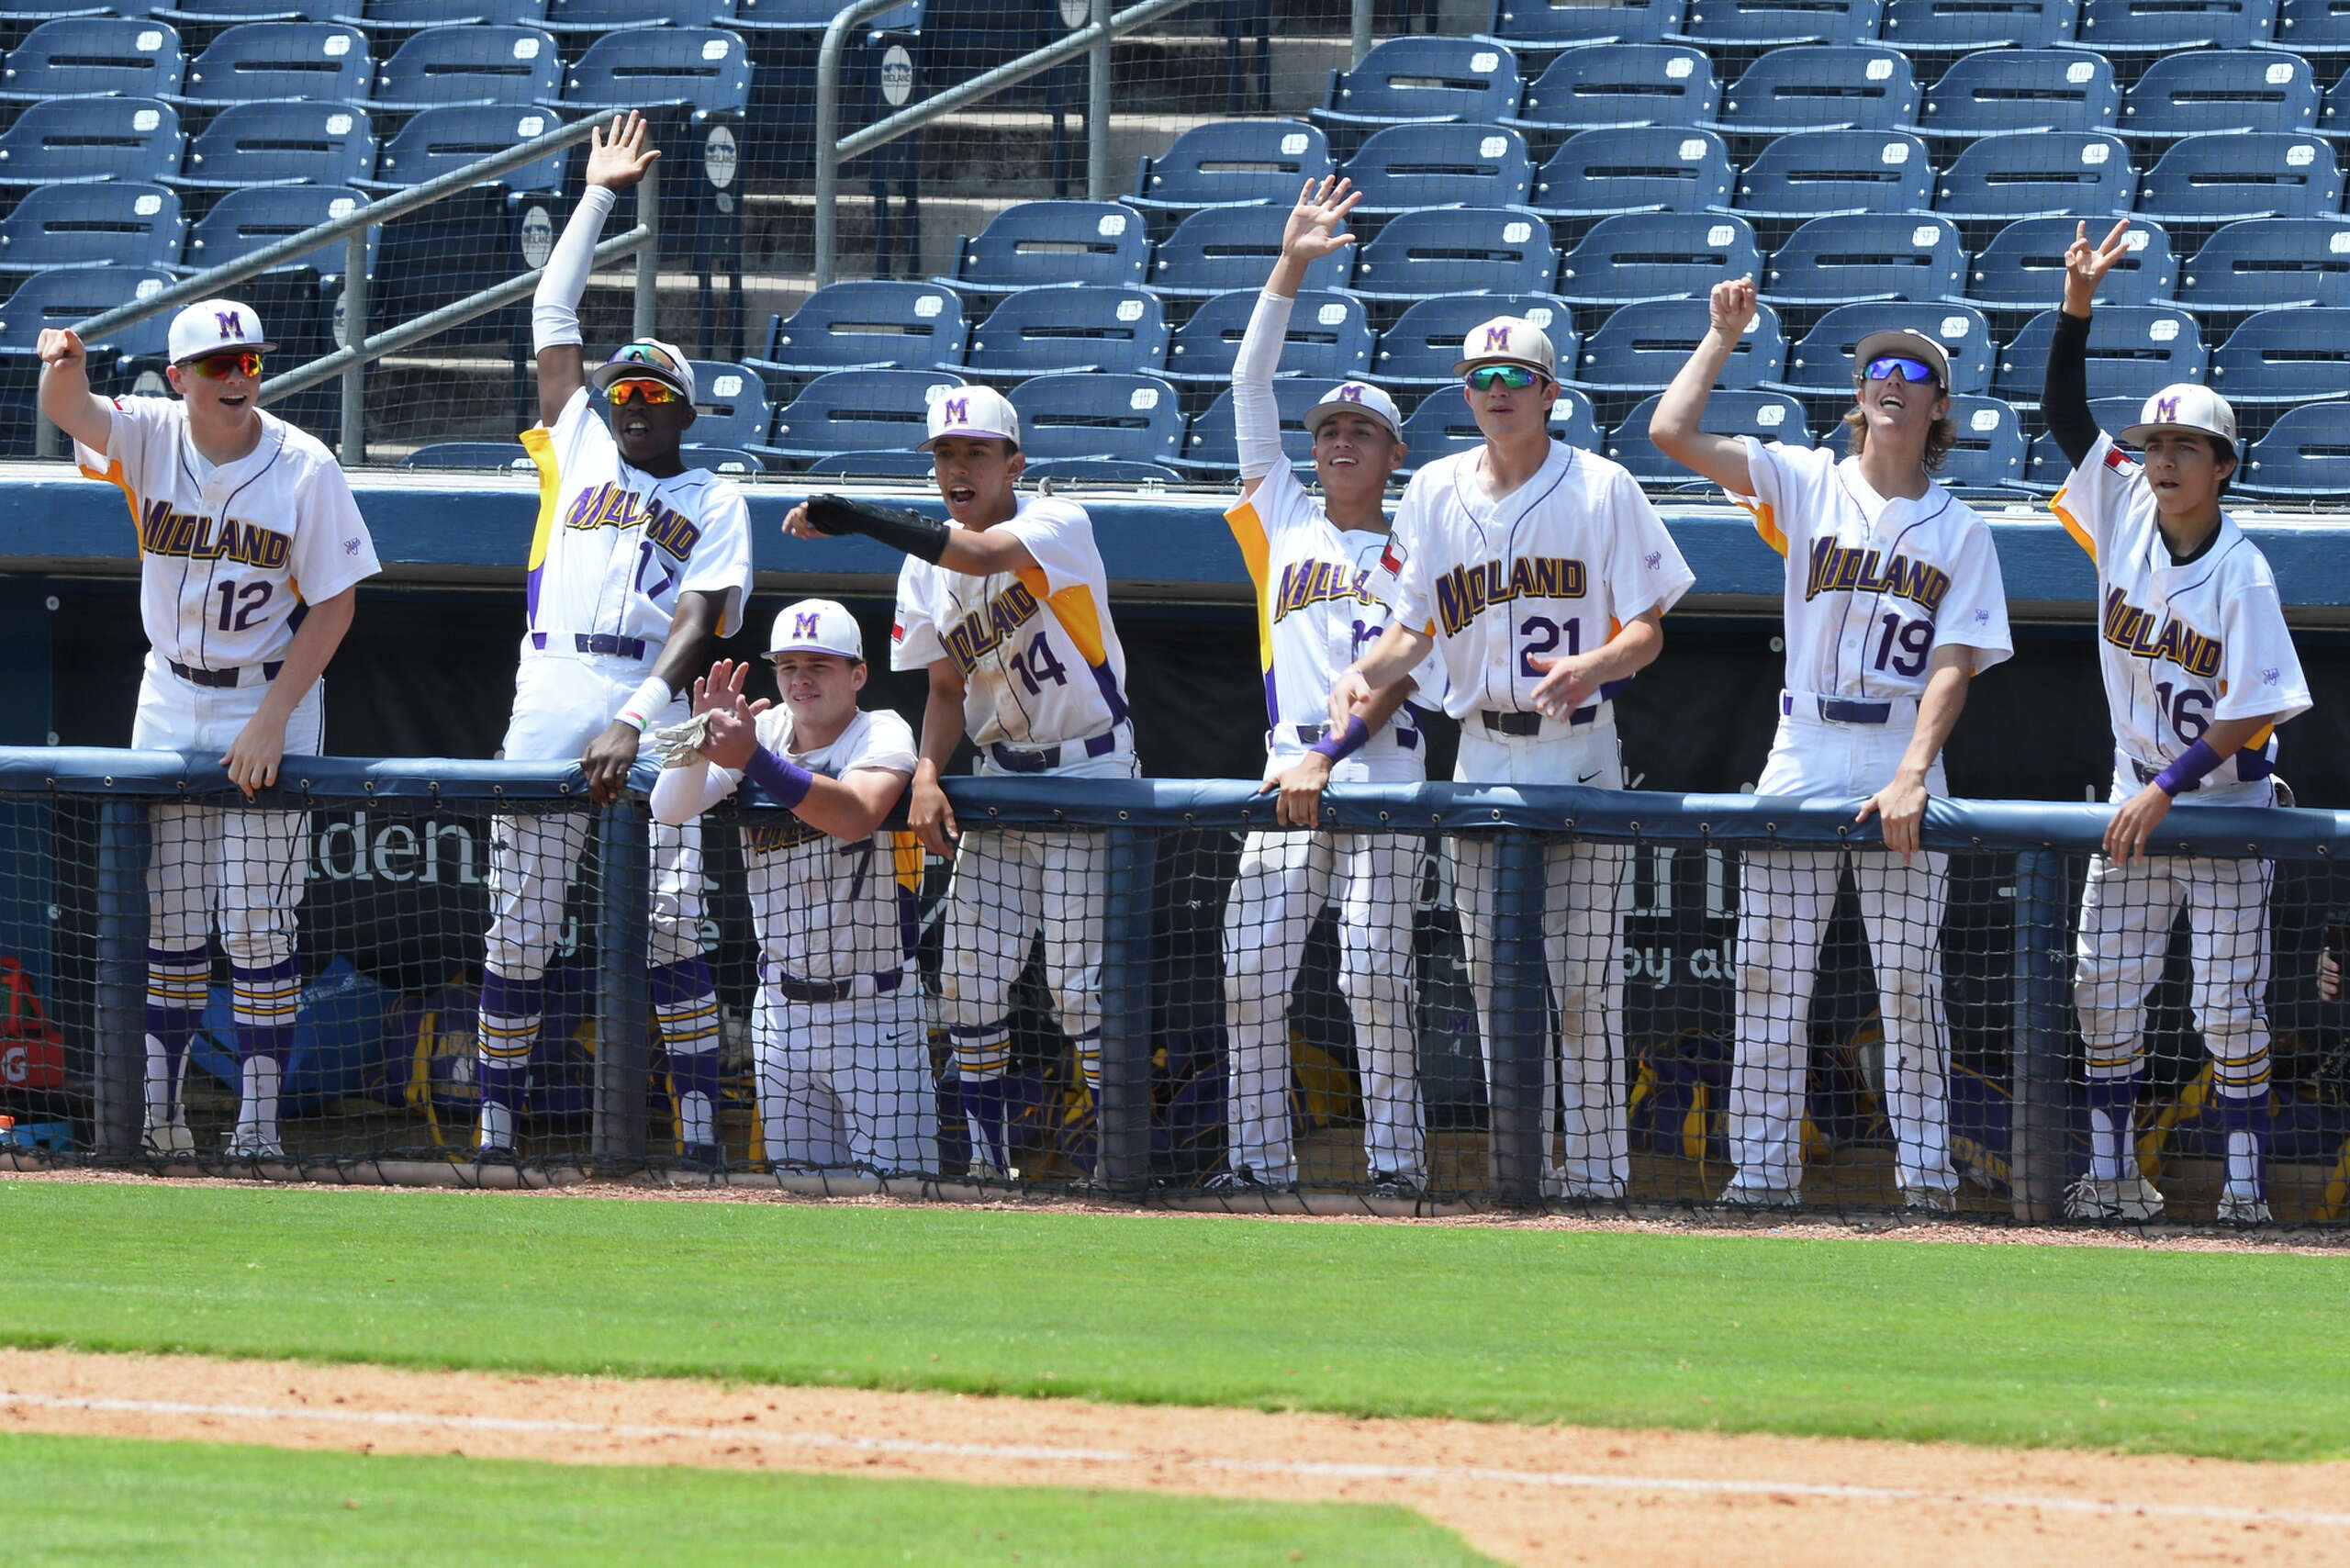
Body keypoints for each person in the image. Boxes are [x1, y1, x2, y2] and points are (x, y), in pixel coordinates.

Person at [1650, 278, 2013, 1213]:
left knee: (1909, 981)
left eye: (1914, 373)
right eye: (1877, 369)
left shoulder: (1962, 530)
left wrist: (1913, 772)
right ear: (1858, 395)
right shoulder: (1807, 479)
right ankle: (1762, 1175)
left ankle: (1926, 1180)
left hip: (1897, 742)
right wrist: (1721, 336)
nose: (1892, 380)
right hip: (1804, 738)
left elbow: (1954, 664)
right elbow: (1671, 434)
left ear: (1940, 407)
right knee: (1768, 972)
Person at [1337, 315, 1694, 1201]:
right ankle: (1520, 1170)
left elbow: (1649, 631)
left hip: (1578, 749)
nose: (1497, 390)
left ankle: (1600, 1177)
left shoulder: (1603, 487)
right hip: (1481, 753)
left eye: (1515, 376)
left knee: (1584, 985)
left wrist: (1595, 663)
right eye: (1481, 377)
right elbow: (1411, 630)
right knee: (1497, 983)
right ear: (1465, 393)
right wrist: (1362, 670)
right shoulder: (1433, 490)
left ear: (1550, 393)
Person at [39, 298, 380, 1159]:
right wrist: (65, 364)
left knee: (258, 924)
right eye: (219, 365)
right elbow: (70, 411)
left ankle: (259, 1130)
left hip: (268, 693)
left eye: (250, 362)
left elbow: (335, 604)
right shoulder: (151, 432)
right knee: (172, 921)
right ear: (179, 377)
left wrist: (272, 720)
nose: (238, 378)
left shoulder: (303, 464)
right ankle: (163, 1121)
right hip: (168, 691)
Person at [477, 110, 752, 1168]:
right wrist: (596, 194)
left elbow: (700, 621)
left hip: (658, 696)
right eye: (624, 388)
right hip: (553, 674)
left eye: (655, 395)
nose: (633, 403)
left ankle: (698, 1138)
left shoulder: (714, 494)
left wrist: (637, 718)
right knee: (519, 921)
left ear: (683, 412)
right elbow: (551, 310)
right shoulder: (578, 437)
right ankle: (495, 1133)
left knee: (676, 918)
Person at [784, 388, 1136, 1180]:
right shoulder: (921, 570)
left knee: (1078, 989)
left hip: (1091, 766)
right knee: (968, 984)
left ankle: (1114, 1165)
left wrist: (857, 516)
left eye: (976, 452)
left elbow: (977, 556)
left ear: (1015, 463)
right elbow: (946, 689)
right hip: (1001, 778)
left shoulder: (1059, 522)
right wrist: (928, 774)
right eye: (945, 454)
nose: (958, 468)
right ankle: (986, 1164)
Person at [2046, 220, 2311, 1225]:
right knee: (2101, 989)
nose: (2160, 459)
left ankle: (2244, 1197)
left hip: (2224, 806)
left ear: (2222, 465)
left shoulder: (2243, 571)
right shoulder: (2121, 507)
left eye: (2183, 447)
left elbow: (2256, 706)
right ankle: (2114, 1179)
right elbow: (2062, 413)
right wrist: (2077, 307)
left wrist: (2166, 787)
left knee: (2226, 1012)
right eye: (2154, 444)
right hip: (2139, 788)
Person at [1213, 178, 1441, 1195]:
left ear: (1394, 453)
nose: (1339, 441)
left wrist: (1331, 755)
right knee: (1249, 975)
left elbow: (1400, 675)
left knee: (1375, 973)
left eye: (1361, 431)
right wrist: (1291, 264)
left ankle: (1397, 1166)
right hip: (1285, 759)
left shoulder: (1423, 543)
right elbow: (1247, 383)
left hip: (1382, 766)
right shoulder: (1282, 517)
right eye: (1328, 430)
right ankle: (1256, 1163)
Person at [649, 602, 936, 1174]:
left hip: (876, 1009)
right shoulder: (766, 728)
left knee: (899, 1197)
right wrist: (697, 743)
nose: (801, 679)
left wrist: (752, 760)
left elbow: (856, 814)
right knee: (799, 1194)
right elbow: (670, 807)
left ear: (857, 674)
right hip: (781, 1012)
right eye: (788, 666)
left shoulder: (882, 730)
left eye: (819, 665)